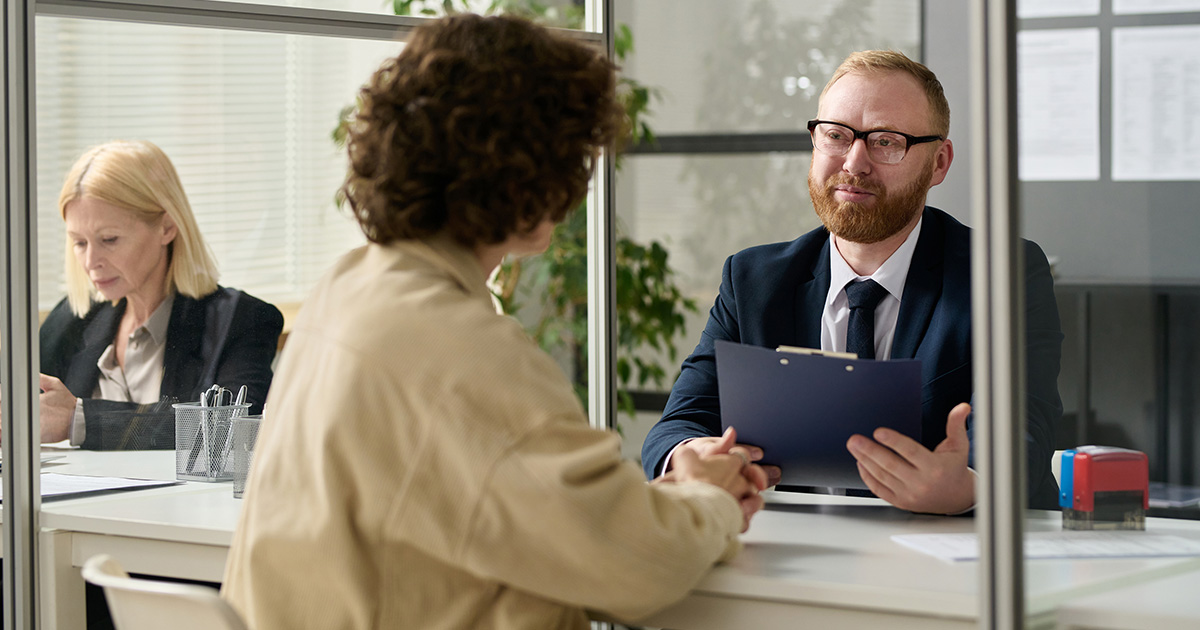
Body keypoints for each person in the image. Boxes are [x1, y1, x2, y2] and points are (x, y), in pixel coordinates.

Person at [222, 14, 766, 630]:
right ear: (531, 172)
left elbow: (540, 520)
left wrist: (674, 499)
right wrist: (712, 499)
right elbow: (636, 570)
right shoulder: (456, 345)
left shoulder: (347, 288)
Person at [641, 50, 1064, 514]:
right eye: (836, 136)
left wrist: (969, 487)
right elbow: (681, 422)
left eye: (886, 141)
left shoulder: (1001, 273)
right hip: (796, 554)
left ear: (939, 163)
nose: (855, 163)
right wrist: (688, 457)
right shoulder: (753, 280)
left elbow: (1023, 428)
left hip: (955, 560)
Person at [37, 140, 284, 450]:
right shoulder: (72, 319)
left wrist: (82, 419)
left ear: (167, 227)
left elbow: (222, 433)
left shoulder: (243, 320)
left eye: (109, 239)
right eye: (79, 242)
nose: (90, 263)